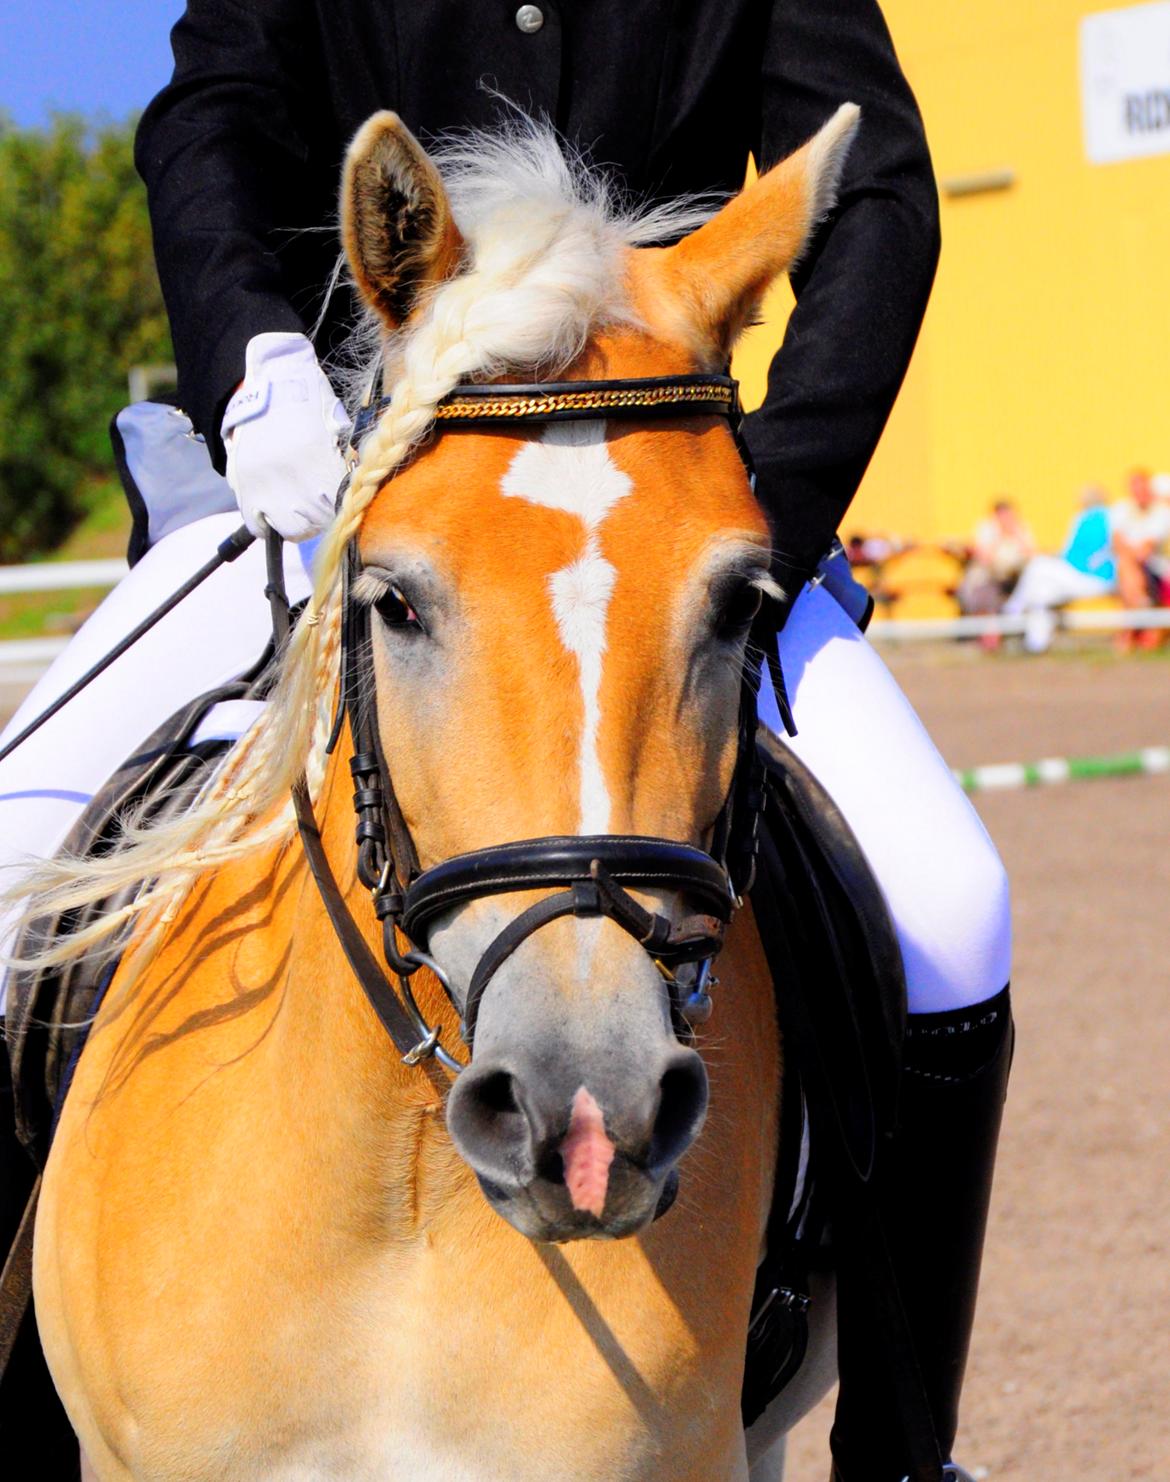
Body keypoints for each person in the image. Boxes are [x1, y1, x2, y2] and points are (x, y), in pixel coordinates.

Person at [0, 7, 1010, 1478]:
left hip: (662, 506)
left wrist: (751, 509)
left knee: (948, 904)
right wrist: (254, 358)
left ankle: (902, 1451)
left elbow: (877, 190)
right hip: (344, 466)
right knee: (15, 858)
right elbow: (209, 114)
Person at [1003, 484, 1116, 653]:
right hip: (1101, 577)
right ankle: (1036, 643)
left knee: (1037, 565)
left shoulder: (1085, 519)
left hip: (1087, 577)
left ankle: (1013, 610)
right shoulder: (1112, 517)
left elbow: (1069, 555)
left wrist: (1043, 554)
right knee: (1041, 593)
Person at [1111, 468, 1170, 652]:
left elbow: (1146, 550)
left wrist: (1130, 552)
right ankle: (1140, 606)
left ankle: (1129, 630)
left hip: (1155, 573)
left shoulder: (1161, 513)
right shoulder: (1121, 509)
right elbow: (1117, 543)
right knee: (1127, 567)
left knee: (1127, 567)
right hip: (1131, 571)